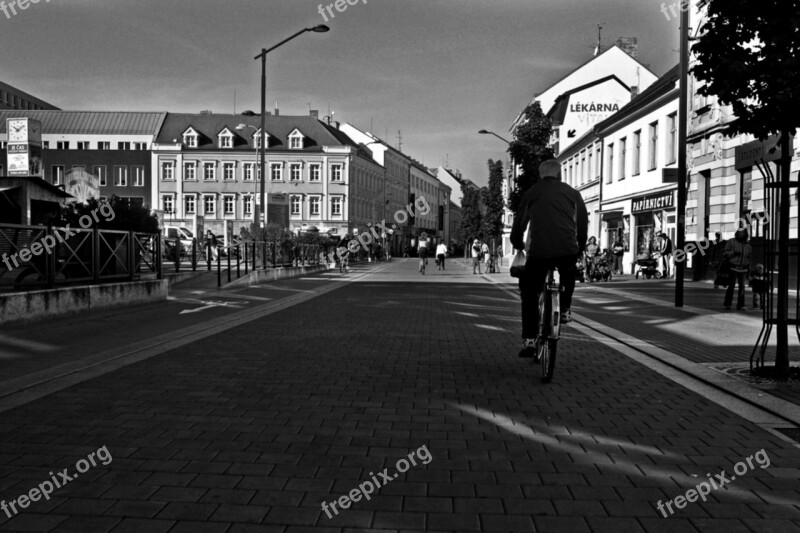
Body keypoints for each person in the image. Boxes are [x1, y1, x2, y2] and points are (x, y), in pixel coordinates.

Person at [512, 159, 588, 359]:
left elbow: (520, 221)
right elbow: (582, 222)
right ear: (560, 174)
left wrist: (518, 242)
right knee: (568, 274)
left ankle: (529, 339)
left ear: (540, 175)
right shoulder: (573, 193)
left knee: (529, 292)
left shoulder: (532, 193)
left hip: (539, 251)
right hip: (567, 250)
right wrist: (579, 246)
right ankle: (564, 309)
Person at [723, 227, 752, 311]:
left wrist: (749, 269)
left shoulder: (748, 245)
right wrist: (733, 253)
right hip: (733, 267)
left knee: (742, 287)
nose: (740, 234)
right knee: (731, 286)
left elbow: (749, 258)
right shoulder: (731, 242)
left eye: (742, 233)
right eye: (739, 232)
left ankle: (741, 305)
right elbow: (724, 253)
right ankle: (727, 304)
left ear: (745, 234)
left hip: (743, 268)